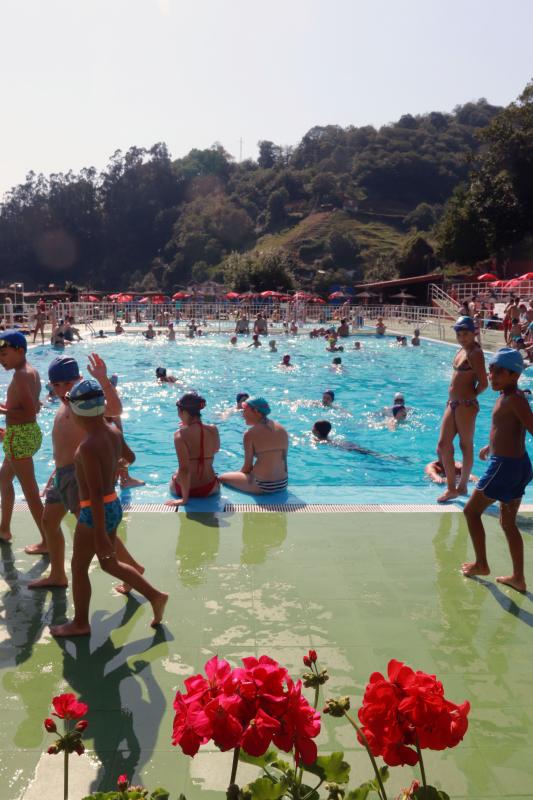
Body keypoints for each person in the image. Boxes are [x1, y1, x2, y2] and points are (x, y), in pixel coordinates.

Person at [50, 380, 168, 636]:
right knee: (108, 563)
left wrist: (100, 534)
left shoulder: (86, 449)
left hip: (95, 513)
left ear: (78, 413)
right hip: (113, 504)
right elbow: (131, 457)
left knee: (79, 567)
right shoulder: (113, 429)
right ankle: (154, 595)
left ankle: (81, 623)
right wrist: (116, 463)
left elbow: (92, 495)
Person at [30, 354, 123, 589]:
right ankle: (58, 575)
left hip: (77, 478)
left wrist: (102, 379)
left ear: (80, 380)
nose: (62, 390)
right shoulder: (65, 405)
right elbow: (64, 444)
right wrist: (56, 471)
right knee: (49, 522)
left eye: (67, 384)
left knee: (97, 531)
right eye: (57, 385)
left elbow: (115, 408)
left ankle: (131, 568)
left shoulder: (84, 404)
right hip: (62, 475)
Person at [461, 348, 533, 592]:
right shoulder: (508, 396)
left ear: (514, 375)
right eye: (490, 371)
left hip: (505, 466)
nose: (491, 375)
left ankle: (481, 564)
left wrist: (497, 453)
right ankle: (518, 578)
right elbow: (509, 429)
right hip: (516, 465)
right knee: (508, 522)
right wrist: (489, 446)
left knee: (471, 512)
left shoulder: (514, 399)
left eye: (498, 372)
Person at [0, 330, 45, 553]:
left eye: (4, 354)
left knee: (30, 492)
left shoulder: (19, 375)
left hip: (20, 435)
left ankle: (48, 540)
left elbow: (29, 412)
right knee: (4, 480)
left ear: (20, 350)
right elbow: (33, 407)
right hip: (23, 434)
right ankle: (4, 528)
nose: (1, 360)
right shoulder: (31, 371)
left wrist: (2, 410)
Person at [436, 316, 488, 503]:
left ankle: (462, 485)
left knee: (465, 445)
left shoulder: (475, 352)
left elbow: (483, 383)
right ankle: (452, 487)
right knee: (443, 445)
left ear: (473, 333)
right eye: (459, 334)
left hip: (465, 405)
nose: (462, 337)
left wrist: (470, 397)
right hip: (452, 403)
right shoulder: (461, 349)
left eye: (465, 333)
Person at [219, 397, 288, 494]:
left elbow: (247, 468)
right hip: (283, 483)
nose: (243, 415)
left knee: (222, 477)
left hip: (263, 485)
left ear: (255, 411)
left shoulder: (250, 434)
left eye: (245, 411)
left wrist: (238, 475)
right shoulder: (282, 429)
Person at [167, 392, 220, 506]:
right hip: (210, 488)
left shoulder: (179, 435)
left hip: (181, 490)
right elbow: (215, 450)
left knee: (177, 472)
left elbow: (184, 470)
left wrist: (184, 499)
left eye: (179, 412)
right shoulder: (213, 430)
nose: (179, 415)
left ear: (184, 412)